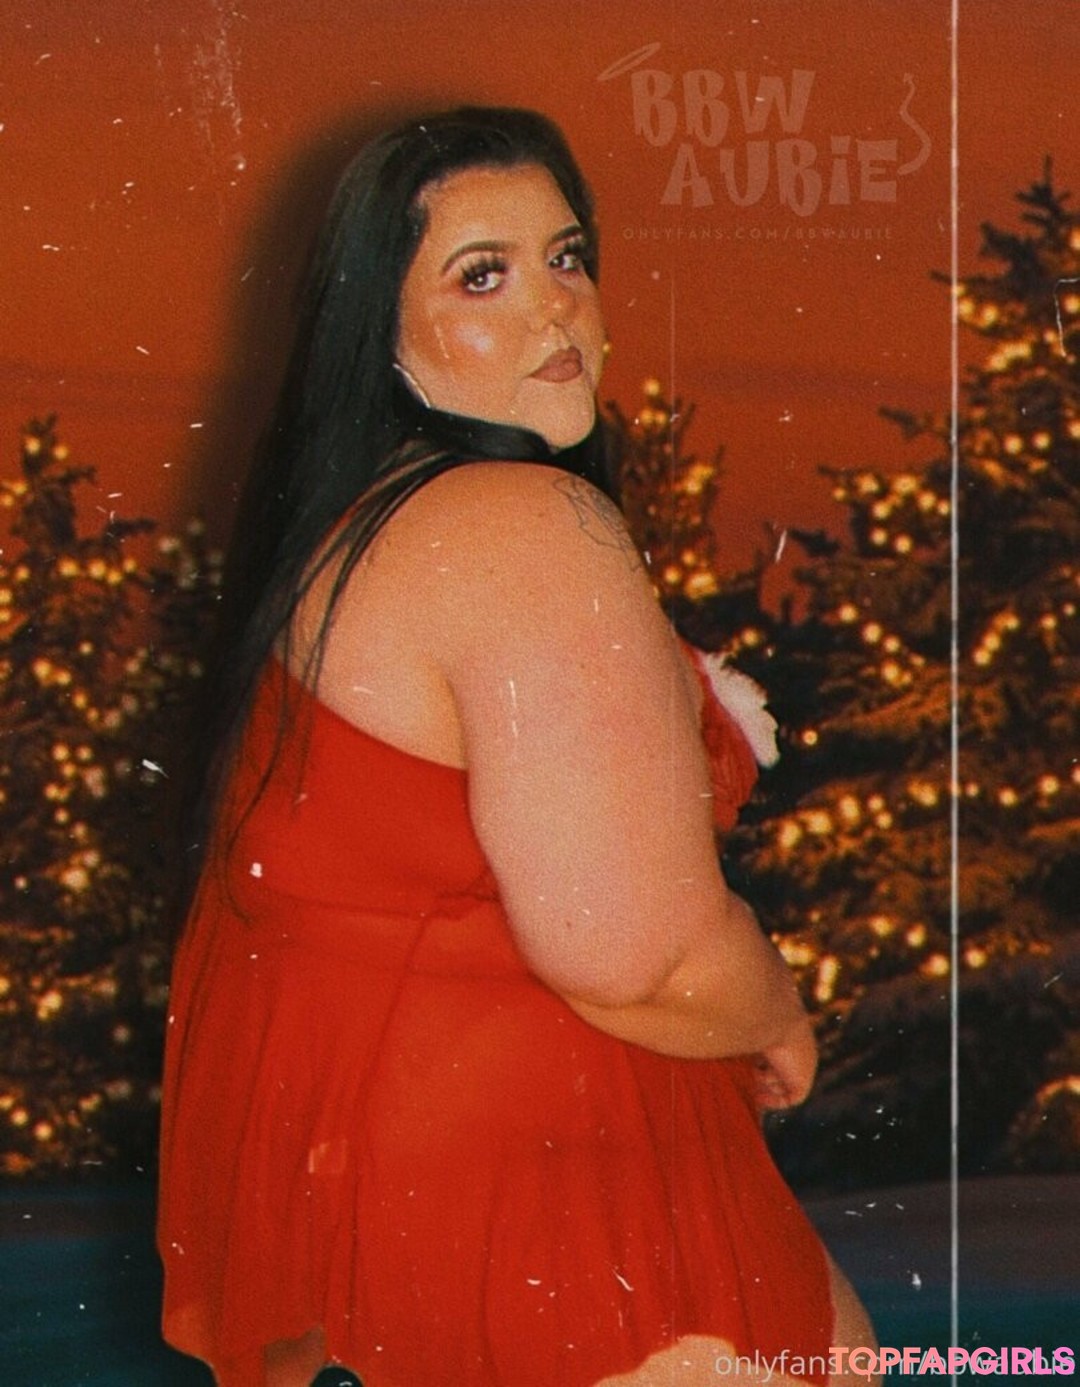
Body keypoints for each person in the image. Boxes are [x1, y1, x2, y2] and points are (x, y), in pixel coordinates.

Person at [157, 106, 878, 1387]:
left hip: (404, 1188)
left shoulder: (358, 525)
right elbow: (632, 950)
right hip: (543, 1191)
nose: (555, 307)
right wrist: (775, 1006)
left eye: (567, 256)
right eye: (480, 274)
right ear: (378, 332)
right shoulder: (522, 524)